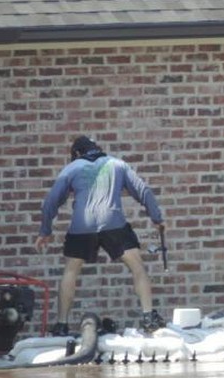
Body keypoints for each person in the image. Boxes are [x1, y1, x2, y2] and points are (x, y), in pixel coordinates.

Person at [35, 135, 166, 335]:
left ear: (77, 153)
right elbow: (143, 191)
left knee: (71, 271)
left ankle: (61, 324)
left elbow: (51, 202)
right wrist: (156, 218)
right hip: (114, 224)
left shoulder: (72, 168)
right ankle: (148, 317)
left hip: (82, 227)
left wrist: (45, 231)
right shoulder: (118, 164)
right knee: (137, 267)